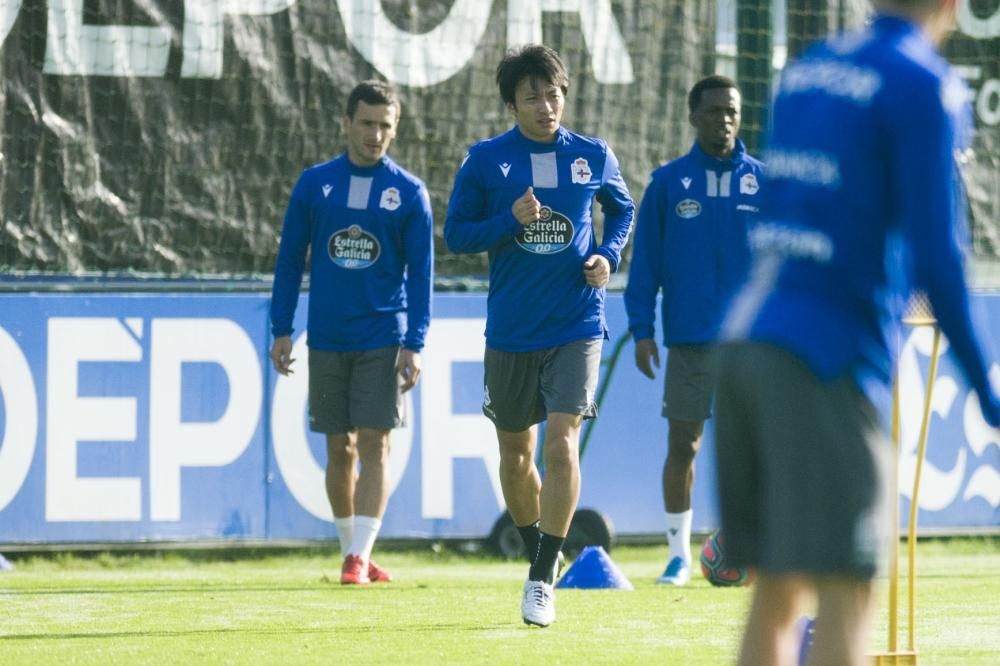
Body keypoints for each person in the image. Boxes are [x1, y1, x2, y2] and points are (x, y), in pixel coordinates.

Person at [714, 0, 1000, 662]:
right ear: (951, 6)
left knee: (779, 592)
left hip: (745, 337)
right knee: (850, 586)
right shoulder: (923, 84)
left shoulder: (806, 71)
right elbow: (938, 255)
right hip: (822, 355)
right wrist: (985, 384)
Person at [444, 45, 634, 627]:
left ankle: (540, 576)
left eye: (553, 94)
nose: (546, 106)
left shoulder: (592, 155)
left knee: (560, 443)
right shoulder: (486, 161)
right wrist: (510, 221)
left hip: (577, 323)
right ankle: (540, 557)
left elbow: (622, 211)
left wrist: (606, 254)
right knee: (515, 454)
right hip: (511, 329)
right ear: (512, 104)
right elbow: (455, 235)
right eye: (533, 97)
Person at [269, 80, 433, 586]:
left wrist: (416, 341)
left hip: (383, 337)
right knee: (338, 448)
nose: (375, 134)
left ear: (395, 128)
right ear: (346, 123)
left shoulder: (409, 192)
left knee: (375, 445)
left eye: (385, 126)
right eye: (366, 123)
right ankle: (353, 551)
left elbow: (422, 274)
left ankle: (359, 555)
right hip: (327, 337)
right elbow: (290, 260)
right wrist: (281, 328)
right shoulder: (315, 184)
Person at [624, 75, 764, 586]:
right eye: (713, 111)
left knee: (755, 451)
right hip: (689, 342)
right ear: (693, 116)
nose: (723, 120)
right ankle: (679, 556)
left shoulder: (763, 183)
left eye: (732, 111)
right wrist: (642, 330)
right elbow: (645, 270)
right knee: (684, 444)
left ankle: (751, 548)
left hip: (753, 346)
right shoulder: (667, 184)